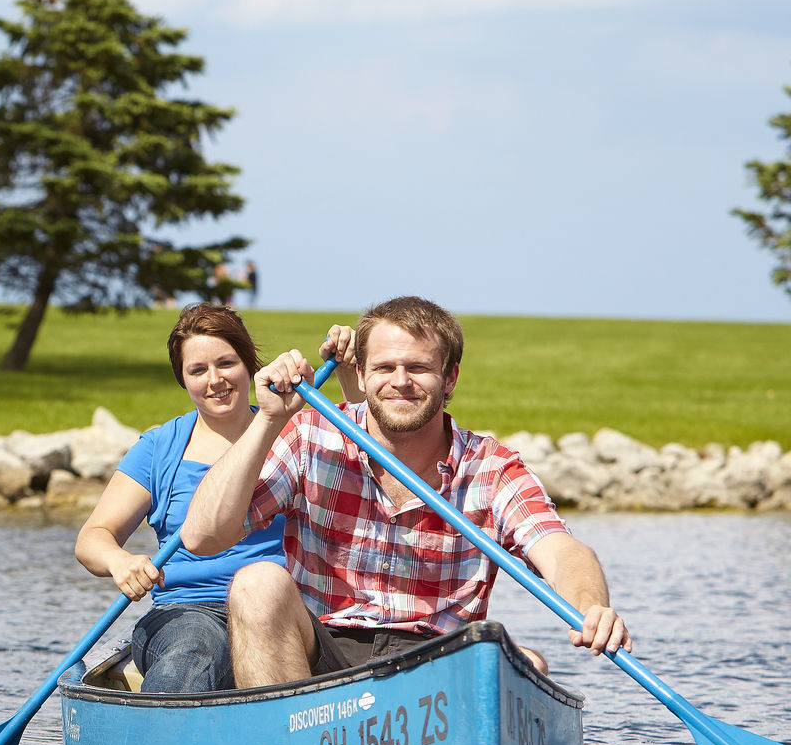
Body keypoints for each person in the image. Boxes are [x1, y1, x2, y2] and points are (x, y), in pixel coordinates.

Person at [179, 294, 631, 688]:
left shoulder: (491, 467)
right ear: (361, 373)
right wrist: (268, 419)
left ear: (450, 378)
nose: (400, 381)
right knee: (256, 583)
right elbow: (201, 536)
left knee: (524, 663)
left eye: (418, 367)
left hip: (439, 661)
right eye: (384, 367)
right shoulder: (310, 434)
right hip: (325, 655)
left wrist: (591, 606)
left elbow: (562, 551)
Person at [75, 304, 288, 692]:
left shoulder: (293, 434)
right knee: (194, 652)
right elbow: (93, 538)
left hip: (281, 608)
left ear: (249, 364)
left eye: (226, 363)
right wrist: (119, 561)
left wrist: (347, 370)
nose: (215, 380)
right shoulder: (159, 447)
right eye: (198, 370)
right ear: (183, 379)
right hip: (188, 612)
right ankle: (163, 724)